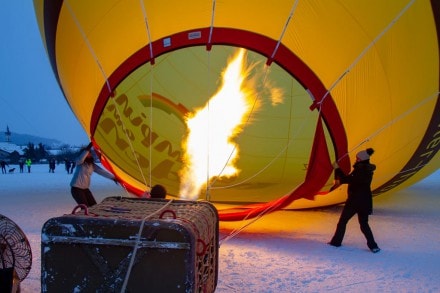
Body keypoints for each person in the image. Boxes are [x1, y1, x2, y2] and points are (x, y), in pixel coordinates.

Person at [328, 148, 380, 253]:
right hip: (365, 201)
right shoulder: (368, 170)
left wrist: (337, 169)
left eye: (357, 158)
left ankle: (336, 242)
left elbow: (348, 179)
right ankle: (373, 246)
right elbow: (351, 179)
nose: (356, 159)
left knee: (343, 221)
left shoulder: (360, 170)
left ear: (361, 159)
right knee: (364, 224)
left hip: (354, 201)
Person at [70, 143, 117, 207]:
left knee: (93, 206)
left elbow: (102, 172)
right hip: (76, 189)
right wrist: (88, 148)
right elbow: (81, 158)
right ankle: (83, 217)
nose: (90, 154)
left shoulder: (92, 165)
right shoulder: (79, 162)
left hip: (85, 189)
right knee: (85, 207)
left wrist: (113, 178)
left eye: (90, 153)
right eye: (88, 153)